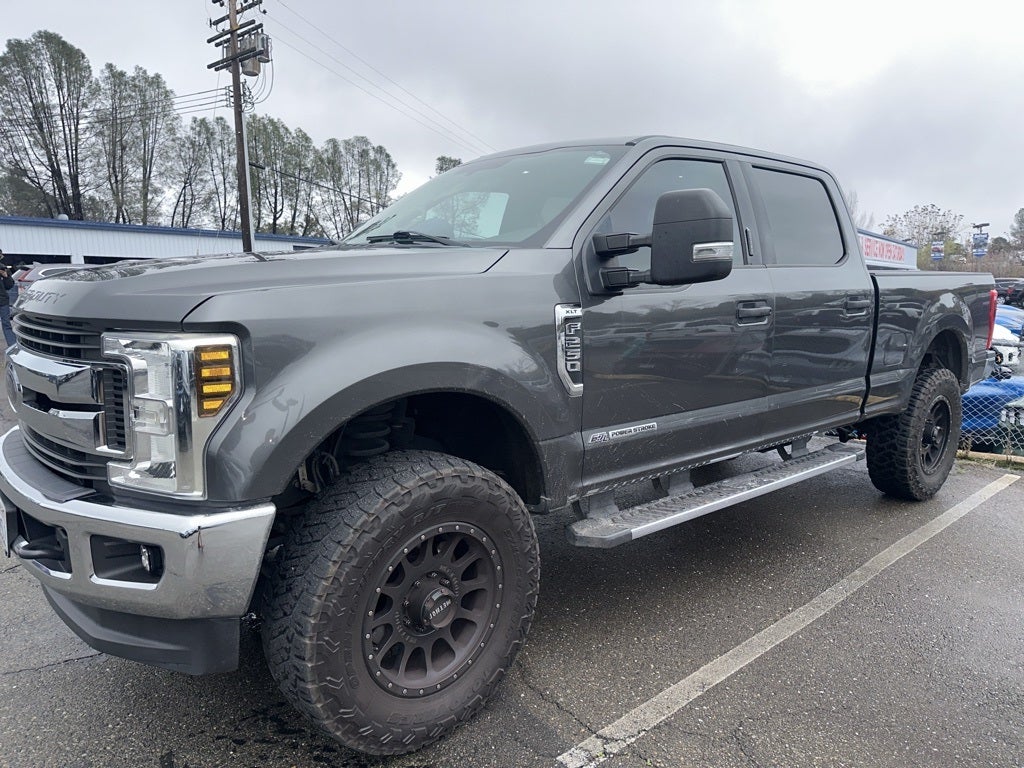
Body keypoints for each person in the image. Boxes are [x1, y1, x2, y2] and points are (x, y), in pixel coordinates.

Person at [0, 250, 16, 348]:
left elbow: (9, 285)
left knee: (6, 324)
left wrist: (5, 276)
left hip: (3, 301)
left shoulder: (3, 268)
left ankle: (13, 346)